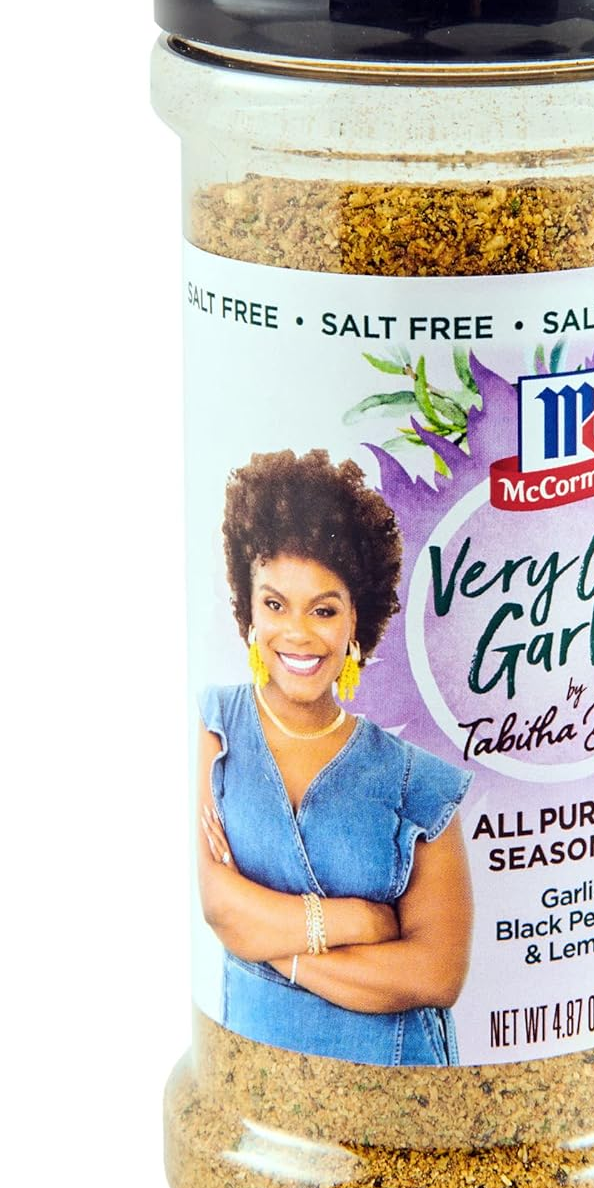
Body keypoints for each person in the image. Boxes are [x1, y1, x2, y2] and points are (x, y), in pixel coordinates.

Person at [195, 448, 473, 1065]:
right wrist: (360, 922)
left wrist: (273, 945)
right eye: (275, 604)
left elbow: (437, 973)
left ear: (355, 624)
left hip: (410, 1086)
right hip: (255, 1078)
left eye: (323, 610)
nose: (297, 633)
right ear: (248, 610)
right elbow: (217, 904)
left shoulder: (418, 781)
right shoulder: (214, 725)